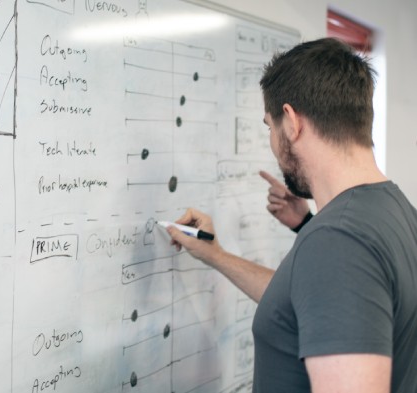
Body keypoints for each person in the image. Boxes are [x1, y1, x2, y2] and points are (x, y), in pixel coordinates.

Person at [167, 38, 417, 393]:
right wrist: (217, 255)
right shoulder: (396, 211)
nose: (271, 139)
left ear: (292, 122)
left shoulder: (338, 242)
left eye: (269, 126)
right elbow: (311, 305)